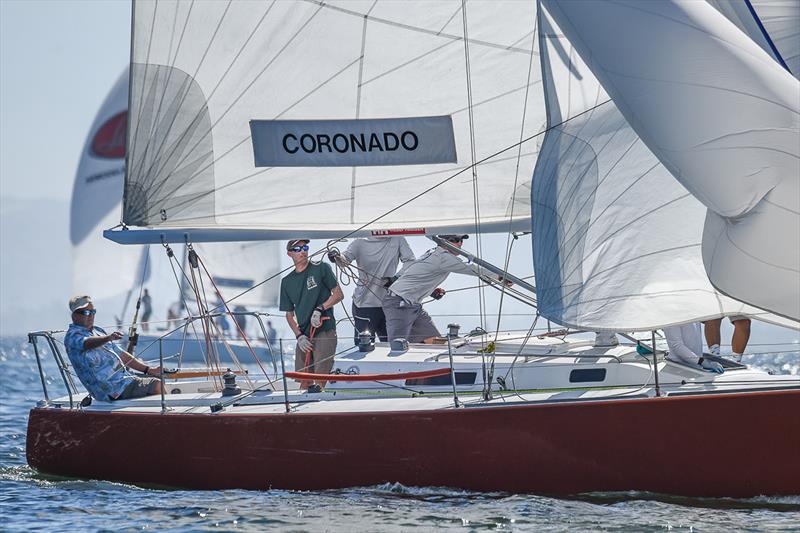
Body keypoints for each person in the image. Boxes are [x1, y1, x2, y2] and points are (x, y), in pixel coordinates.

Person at [382, 234, 509, 343]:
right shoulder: (443, 258)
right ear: (444, 241)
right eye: (455, 240)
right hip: (399, 304)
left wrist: (431, 291)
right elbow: (472, 269)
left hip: (413, 305)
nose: (459, 243)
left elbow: (414, 273)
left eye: (461, 240)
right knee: (396, 345)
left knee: (435, 341)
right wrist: (500, 277)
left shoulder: (433, 252)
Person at [64, 295, 163, 401]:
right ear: (74, 316)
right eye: (86, 313)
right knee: (156, 384)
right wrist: (108, 338)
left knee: (159, 378)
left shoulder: (98, 331)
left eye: (93, 312)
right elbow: (86, 343)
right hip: (112, 390)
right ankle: (166, 415)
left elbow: (122, 355)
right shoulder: (72, 337)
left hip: (124, 380)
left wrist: (148, 369)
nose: (91, 316)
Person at [279, 239, 344, 391]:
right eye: (297, 249)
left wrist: (320, 308)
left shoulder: (321, 268)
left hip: (324, 330)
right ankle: (300, 412)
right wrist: (299, 336)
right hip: (304, 335)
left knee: (321, 380)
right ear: (289, 254)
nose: (302, 251)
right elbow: (289, 315)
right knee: (304, 381)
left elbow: (338, 295)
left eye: (305, 247)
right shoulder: (286, 281)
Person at [329, 236, 415, 344]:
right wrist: (336, 256)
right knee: (363, 348)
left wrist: (396, 278)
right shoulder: (359, 241)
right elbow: (344, 261)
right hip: (365, 305)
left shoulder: (397, 239)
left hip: (389, 304)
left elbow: (411, 261)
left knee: (393, 346)